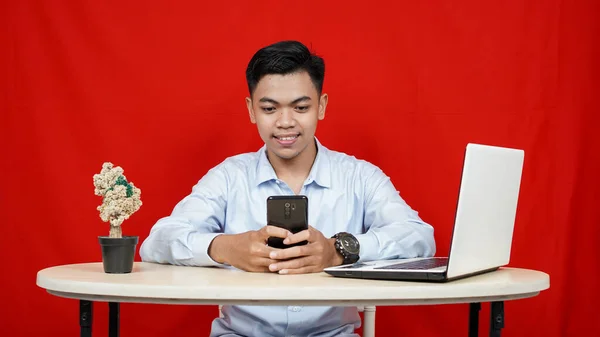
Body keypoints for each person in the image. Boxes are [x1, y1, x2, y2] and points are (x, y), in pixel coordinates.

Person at [140, 40, 436, 337]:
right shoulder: (229, 177)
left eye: (301, 107)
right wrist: (225, 248)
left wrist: (338, 251)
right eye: (269, 108)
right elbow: (157, 242)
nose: (285, 122)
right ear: (251, 110)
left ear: (321, 106)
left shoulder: (359, 176)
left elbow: (419, 237)